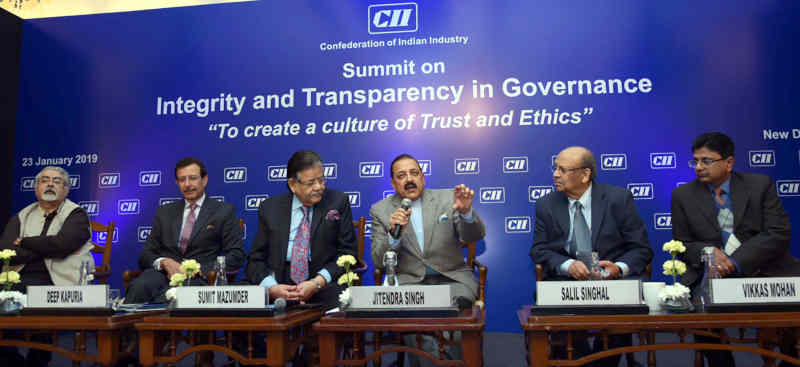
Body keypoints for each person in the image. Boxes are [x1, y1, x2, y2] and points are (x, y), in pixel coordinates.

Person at [672, 132, 800, 367]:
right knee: (703, 321)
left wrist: (735, 261)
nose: (699, 167)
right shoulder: (683, 195)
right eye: (695, 161)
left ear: (728, 163)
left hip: (765, 270)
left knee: (793, 328)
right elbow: (682, 245)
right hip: (710, 277)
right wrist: (708, 252)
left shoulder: (759, 186)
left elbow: (777, 233)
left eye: (706, 161)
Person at [531, 146, 652, 367]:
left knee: (617, 324)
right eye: (555, 168)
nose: (555, 174)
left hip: (613, 282)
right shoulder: (546, 204)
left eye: (563, 169)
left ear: (585, 174)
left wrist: (618, 267)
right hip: (566, 282)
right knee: (565, 337)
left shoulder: (618, 199)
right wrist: (567, 265)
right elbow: (539, 250)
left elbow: (641, 249)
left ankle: (602, 361)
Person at [370, 153, 486, 367]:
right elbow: (378, 260)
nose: (409, 179)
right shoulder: (381, 210)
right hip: (409, 284)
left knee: (453, 316)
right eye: (402, 175)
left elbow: (474, 236)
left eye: (414, 173)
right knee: (415, 319)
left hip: (452, 280)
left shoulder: (447, 199)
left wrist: (467, 213)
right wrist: (393, 235)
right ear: (393, 183)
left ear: (423, 177)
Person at [0, 166, 94, 366]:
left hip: (57, 279)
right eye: (45, 180)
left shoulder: (76, 215)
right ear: (36, 188)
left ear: (66, 190)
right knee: (8, 294)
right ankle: (11, 358)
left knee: (34, 293)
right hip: (19, 276)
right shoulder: (22, 216)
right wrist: (46, 245)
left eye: (57, 181)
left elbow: (62, 245)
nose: (50, 184)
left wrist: (25, 242)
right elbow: (6, 251)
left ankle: (38, 357)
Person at [246, 150, 357, 309]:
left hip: (322, 282)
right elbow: (255, 259)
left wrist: (317, 282)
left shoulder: (338, 202)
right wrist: (271, 287)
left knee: (343, 299)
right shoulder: (270, 208)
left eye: (321, 180)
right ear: (292, 185)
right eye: (311, 183)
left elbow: (348, 253)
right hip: (280, 282)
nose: (319, 187)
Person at [126, 157, 245, 304]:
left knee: (175, 296)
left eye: (193, 178)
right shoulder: (165, 212)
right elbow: (146, 255)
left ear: (204, 180)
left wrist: (201, 269)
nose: (187, 184)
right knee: (139, 287)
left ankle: (161, 322)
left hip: (200, 279)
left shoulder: (223, 211)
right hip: (163, 275)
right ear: (177, 183)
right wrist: (164, 262)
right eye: (182, 180)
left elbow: (236, 255)